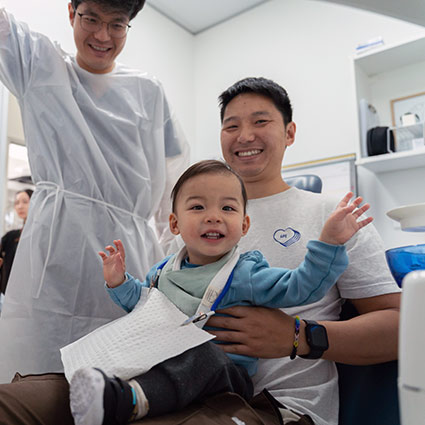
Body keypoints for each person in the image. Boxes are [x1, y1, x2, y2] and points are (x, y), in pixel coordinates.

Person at [69, 159, 372, 425]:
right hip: (164, 365)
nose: (213, 216)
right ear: (174, 223)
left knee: (205, 356)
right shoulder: (163, 271)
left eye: (227, 208)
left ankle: (128, 401)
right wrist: (119, 282)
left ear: (244, 225)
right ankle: (110, 393)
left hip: (225, 379)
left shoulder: (246, 273)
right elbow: (143, 305)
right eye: (198, 207)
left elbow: (301, 287)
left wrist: (329, 244)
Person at [0, 0, 188, 383]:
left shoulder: (148, 92)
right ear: (71, 12)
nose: (102, 36)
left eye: (117, 25)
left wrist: (177, 268)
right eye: (92, 19)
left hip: (129, 258)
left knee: (120, 383)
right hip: (55, 260)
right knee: (40, 377)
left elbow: (175, 189)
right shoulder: (40, 65)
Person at [203, 77, 401, 425]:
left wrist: (298, 336)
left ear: (289, 133)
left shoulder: (333, 217)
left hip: (284, 409)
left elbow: (399, 327)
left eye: (260, 122)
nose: (244, 136)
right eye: (231, 126)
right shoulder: (201, 220)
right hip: (192, 393)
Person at [0, 189, 33, 296]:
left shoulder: (42, 236)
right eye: (17, 203)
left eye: (25, 202)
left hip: (29, 293)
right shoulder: (10, 237)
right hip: (8, 293)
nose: (20, 206)